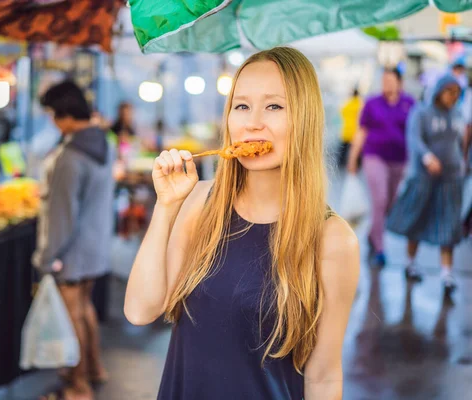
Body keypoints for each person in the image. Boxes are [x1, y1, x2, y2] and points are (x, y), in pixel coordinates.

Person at [124, 47, 360, 400]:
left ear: (305, 119)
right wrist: (166, 207)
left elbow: (324, 375)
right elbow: (140, 310)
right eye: (242, 106)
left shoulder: (332, 239)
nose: (253, 123)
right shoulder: (200, 204)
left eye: (274, 106)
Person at [32, 80, 113, 400]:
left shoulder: (70, 157)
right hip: (95, 246)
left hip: (73, 251)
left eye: (53, 114)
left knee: (72, 316)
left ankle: (78, 386)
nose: (52, 121)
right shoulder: (100, 142)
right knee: (84, 308)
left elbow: (62, 218)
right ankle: (95, 368)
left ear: (64, 115)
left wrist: (44, 257)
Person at [386, 75, 467, 293]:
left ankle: (446, 275)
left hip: (451, 179)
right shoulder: (422, 113)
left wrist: (463, 163)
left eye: (456, 94)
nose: (453, 97)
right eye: (449, 92)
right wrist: (427, 157)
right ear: (439, 91)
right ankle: (410, 264)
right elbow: (414, 139)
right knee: (417, 221)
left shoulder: (458, 114)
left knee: (448, 224)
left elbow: (461, 142)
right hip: (424, 178)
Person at [347, 68, 415, 267]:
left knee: (389, 203)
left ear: (399, 82)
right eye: (384, 80)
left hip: (399, 160)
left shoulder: (408, 103)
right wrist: (353, 158)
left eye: (390, 80)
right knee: (380, 199)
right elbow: (361, 132)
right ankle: (380, 248)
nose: (387, 84)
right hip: (374, 157)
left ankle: (371, 234)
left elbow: (414, 133)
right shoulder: (372, 103)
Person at [338, 88, 362, 167]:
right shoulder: (360, 104)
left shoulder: (348, 103)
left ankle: (341, 163)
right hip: (356, 132)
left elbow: (342, 111)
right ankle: (358, 164)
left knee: (343, 149)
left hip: (346, 130)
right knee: (357, 150)